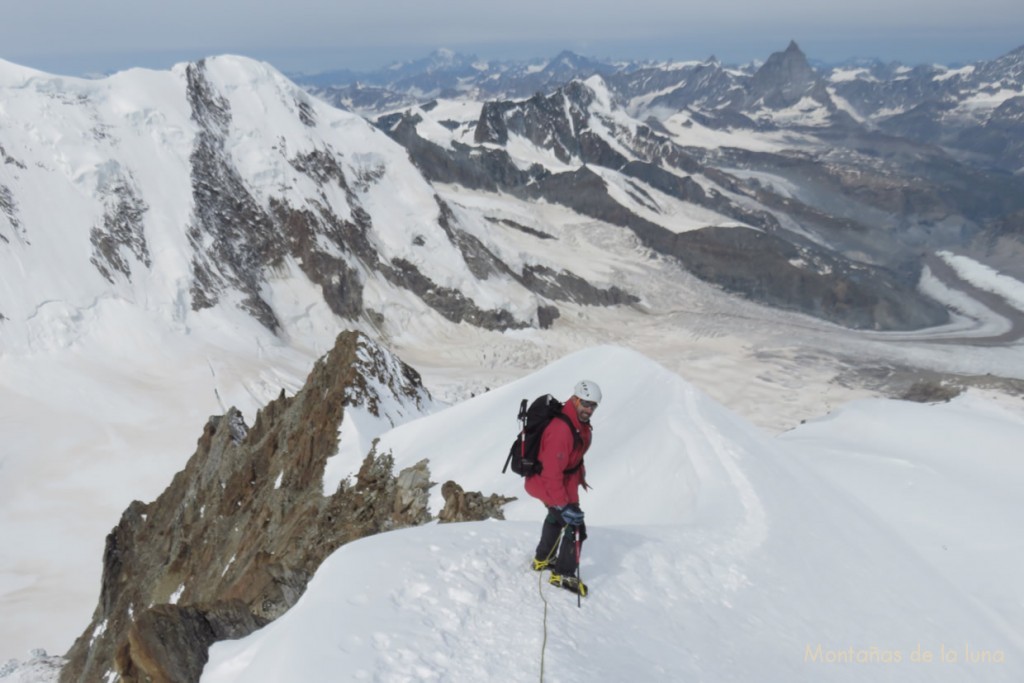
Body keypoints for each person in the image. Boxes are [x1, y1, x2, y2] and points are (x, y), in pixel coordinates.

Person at [525, 379, 601, 596]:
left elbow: (572, 457)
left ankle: (543, 559)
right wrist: (561, 503)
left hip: (561, 480)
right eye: (586, 403)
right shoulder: (562, 429)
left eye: (593, 405)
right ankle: (563, 574)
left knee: (557, 517)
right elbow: (551, 472)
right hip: (547, 482)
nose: (589, 409)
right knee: (575, 525)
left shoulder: (576, 421)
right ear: (575, 399)